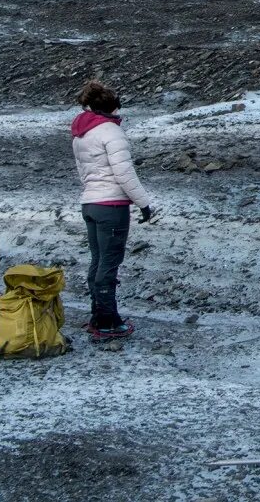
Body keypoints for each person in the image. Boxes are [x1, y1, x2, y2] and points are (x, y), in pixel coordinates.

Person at [70, 80, 154, 342]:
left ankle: (98, 315)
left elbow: (84, 171)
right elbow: (124, 173)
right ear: (112, 107)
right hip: (111, 206)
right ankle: (108, 323)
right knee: (109, 263)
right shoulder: (111, 133)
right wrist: (144, 203)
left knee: (97, 261)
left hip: (90, 203)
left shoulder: (81, 134)